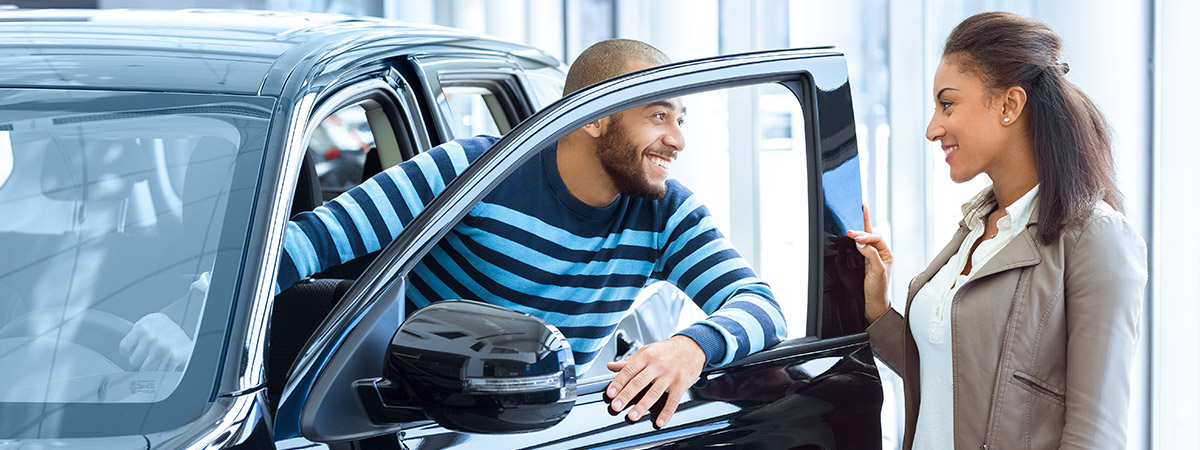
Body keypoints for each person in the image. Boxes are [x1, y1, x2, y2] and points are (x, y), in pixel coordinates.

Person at [123, 39, 787, 429]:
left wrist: (692, 348)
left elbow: (763, 308)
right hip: (431, 421)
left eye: (682, 118)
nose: (677, 138)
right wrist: (192, 326)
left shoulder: (665, 212)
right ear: (592, 118)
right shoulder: (468, 171)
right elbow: (297, 246)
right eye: (658, 115)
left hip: (561, 429)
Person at [848, 12, 1147, 449]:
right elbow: (950, 376)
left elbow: (1095, 436)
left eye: (947, 104)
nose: (933, 128)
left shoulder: (1096, 239)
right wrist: (879, 311)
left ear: (1009, 105)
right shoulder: (975, 226)